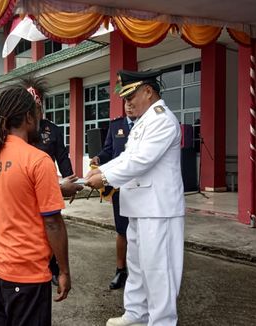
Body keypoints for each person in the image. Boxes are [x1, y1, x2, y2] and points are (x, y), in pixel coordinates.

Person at [86, 70, 185, 326]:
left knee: (159, 271)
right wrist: (101, 171)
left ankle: (162, 321)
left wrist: (104, 178)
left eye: (132, 96)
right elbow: (126, 158)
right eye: (125, 97)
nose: (128, 102)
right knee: (138, 266)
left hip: (157, 208)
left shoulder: (162, 120)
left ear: (149, 92)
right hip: (139, 206)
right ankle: (135, 315)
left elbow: (142, 161)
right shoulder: (144, 121)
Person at [0, 86, 71, 325]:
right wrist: (63, 271)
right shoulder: (38, 160)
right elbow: (52, 222)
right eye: (37, 113)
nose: (40, 118)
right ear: (29, 117)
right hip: (26, 274)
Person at [19, 75, 81, 286]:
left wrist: (70, 181)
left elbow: (62, 156)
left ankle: (54, 268)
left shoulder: (52, 130)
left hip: (48, 186)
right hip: (25, 188)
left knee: (52, 226)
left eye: (38, 106)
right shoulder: (21, 130)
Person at [90, 103, 137, 290]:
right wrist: (99, 159)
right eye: (126, 103)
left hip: (141, 187)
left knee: (140, 232)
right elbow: (109, 151)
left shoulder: (146, 125)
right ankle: (121, 270)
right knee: (122, 230)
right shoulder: (116, 125)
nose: (129, 107)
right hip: (120, 187)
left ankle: (138, 272)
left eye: (133, 102)